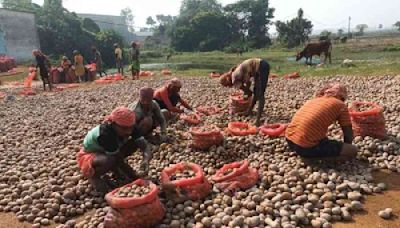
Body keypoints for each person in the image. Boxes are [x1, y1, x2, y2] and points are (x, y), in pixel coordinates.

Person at [77, 107, 152, 192]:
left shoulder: (129, 125)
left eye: (130, 128)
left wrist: (146, 159)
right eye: (124, 129)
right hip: (91, 154)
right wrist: (134, 176)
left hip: (110, 150)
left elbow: (145, 146)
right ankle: (94, 176)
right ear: (113, 124)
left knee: (134, 144)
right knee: (110, 160)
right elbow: (118, 158)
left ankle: (116, 170)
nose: (129, 132)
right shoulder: (105, 134)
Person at [285, 84, 358, 161]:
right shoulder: (341, 105)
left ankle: (302, 151)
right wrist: (346, 146)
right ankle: (312, 158)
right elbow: (348, 133)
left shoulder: (314, 100)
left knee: (319, 137)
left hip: (290, 140)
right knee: (353, 151)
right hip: (306, 147)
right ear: (342, 97)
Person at [220, 58, 270, 126]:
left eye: (226, 85)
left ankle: (258, 120)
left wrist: (246, 94)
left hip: (261, 66)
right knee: (256, 92)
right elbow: (248, 83)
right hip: (259, 66)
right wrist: (247, 92)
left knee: (260, 94)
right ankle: (249, 111)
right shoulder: (235, 74)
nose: (228, 87)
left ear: (227, 82)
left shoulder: (234, 79)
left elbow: (248, 92)